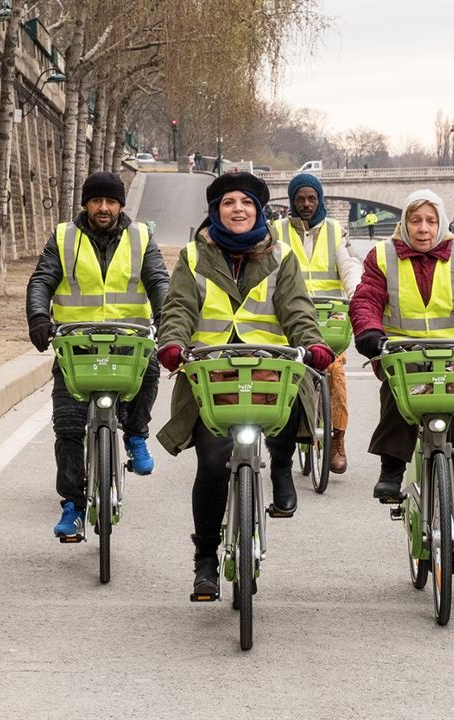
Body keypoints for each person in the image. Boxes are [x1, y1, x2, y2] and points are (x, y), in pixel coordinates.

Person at [154, 172, 334, 596]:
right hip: (211, 374)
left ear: (259, 209)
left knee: (294, 400)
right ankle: (204, 558)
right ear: (215, 211)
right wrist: (173, 342)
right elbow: (179, 305)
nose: (238, 209)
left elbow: (297, 310)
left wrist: (312, 343)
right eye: (228, 202)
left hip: (269, 370)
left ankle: (284, 467)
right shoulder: (194, 257)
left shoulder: (283, 256)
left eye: (246, 202)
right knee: (213, 461)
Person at [350, 189, 454, 573]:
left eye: (430, 221)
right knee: (397, 392)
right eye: (415, 220)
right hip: (403, 355)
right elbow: (366, 299)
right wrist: (370, 332)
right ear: (404, 223)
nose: (423, 229)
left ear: (440, 222)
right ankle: (392, 466)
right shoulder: (382, 257)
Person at [26, 171, 170, 540]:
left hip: (129, 341)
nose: (103, 208)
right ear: (86, 204)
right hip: (77, 344)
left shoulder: (141, 237)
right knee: (69, 426)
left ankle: (136, 435)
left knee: (151, 371)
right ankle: (73, 505)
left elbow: (158, 282)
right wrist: (40, 317)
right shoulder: (64, 237)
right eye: (96, 201)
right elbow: (42, 279)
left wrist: (167, 321)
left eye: (110, 201)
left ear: (121, 205)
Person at [270, 173, 363, 473]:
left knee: (335, 373)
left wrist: (357, 295)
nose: (307, 204)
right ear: (292, 201)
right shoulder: (277, 231)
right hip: (288, 317)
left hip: (329, 318)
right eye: (301, 199)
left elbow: (349, 266)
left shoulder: (336, 231)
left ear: (320, 200)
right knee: (282, 374)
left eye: (312, 199)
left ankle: (338, 438)